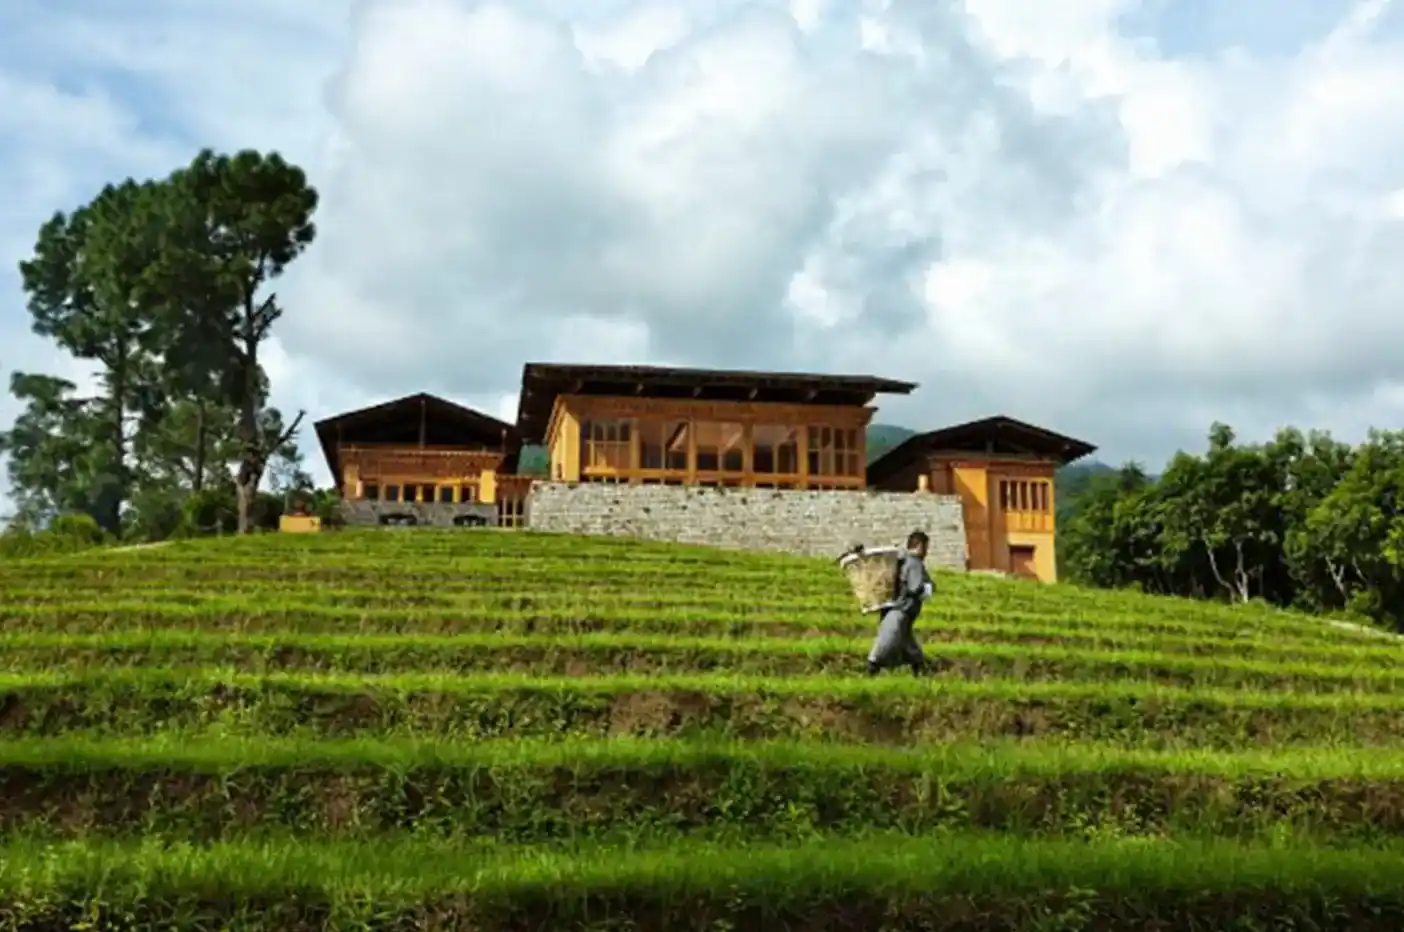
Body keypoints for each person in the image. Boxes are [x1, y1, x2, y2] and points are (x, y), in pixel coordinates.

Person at [866, 530, 934, 677]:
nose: (927, 552)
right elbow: (915, 587)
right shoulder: (914, 563)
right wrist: (927, 588)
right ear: (920, 546)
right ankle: (870, 671)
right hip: (900, 610)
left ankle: (920, 670)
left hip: (895, 608)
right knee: (886, 641)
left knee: (908, 644)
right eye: (926, 548)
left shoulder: (901, 561)